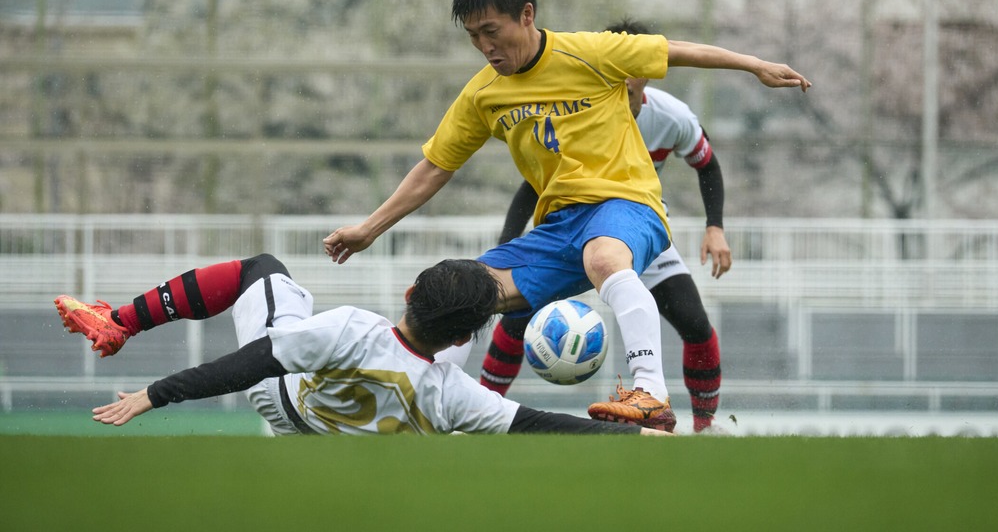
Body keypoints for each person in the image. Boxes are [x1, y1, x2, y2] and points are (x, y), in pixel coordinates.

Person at [323, 0, 810, 433]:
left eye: (492, 30)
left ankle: (652, 395)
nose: (485, 46)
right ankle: (416, 401)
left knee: (606, 260)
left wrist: (755, 65)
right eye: (474, 36)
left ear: (527, 15)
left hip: (628, 203)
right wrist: (369, 228)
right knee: (457, 293)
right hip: (557, 226)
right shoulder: (482, 94)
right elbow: (434, 167)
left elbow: (677, 50)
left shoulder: (591, 52)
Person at [53, 254, 669, 436]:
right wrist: (643, 435)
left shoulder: (350, 328)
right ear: (462, 336)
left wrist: (154, 396)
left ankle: (122, 322)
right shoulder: (455, 394)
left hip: (286, 404)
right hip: (345, 435)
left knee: (260, 269)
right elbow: (543, 426)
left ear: (407, 293)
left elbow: (250, 364)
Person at [480, 19, 730, 433]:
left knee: (694, 323)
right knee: (515, 314)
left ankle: (704, 428)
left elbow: (707, 165)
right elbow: (532, 185)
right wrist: (511, 245)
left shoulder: (672, 117)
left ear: (644, 71)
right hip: (573, 226)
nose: (619, 83)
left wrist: (715, 227)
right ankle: (484, 407)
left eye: (629, 76)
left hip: (640, 224)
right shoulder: (576, 103)